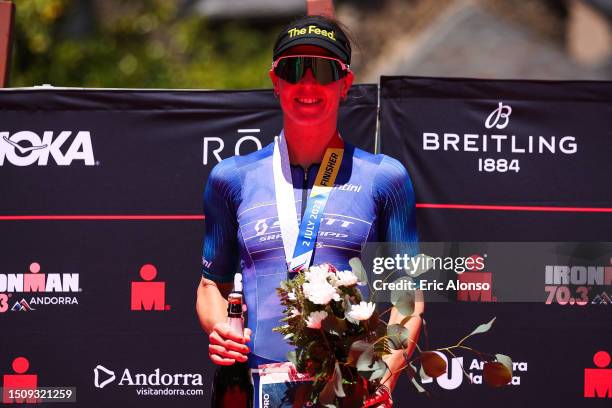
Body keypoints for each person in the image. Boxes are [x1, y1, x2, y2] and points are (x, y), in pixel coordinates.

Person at [196, 15, 423, 407]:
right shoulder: (231, 178)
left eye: (322, 70)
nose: (307, 83)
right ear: (275, 81)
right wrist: (222, 328)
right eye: (293, 68)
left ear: (345, 83)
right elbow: (209, 286)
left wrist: (382, 379)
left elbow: (409, 298)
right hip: (255, 391)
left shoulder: (385, 177)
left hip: (349, 389)